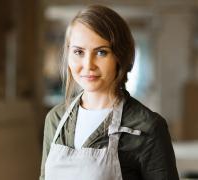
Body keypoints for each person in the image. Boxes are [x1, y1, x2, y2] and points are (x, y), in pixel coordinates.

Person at [40, 5, 179, 180]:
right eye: (78, 52)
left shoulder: (147, 127)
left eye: (101, 52)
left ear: (120, 56)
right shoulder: (56, 119)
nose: (88, 64)